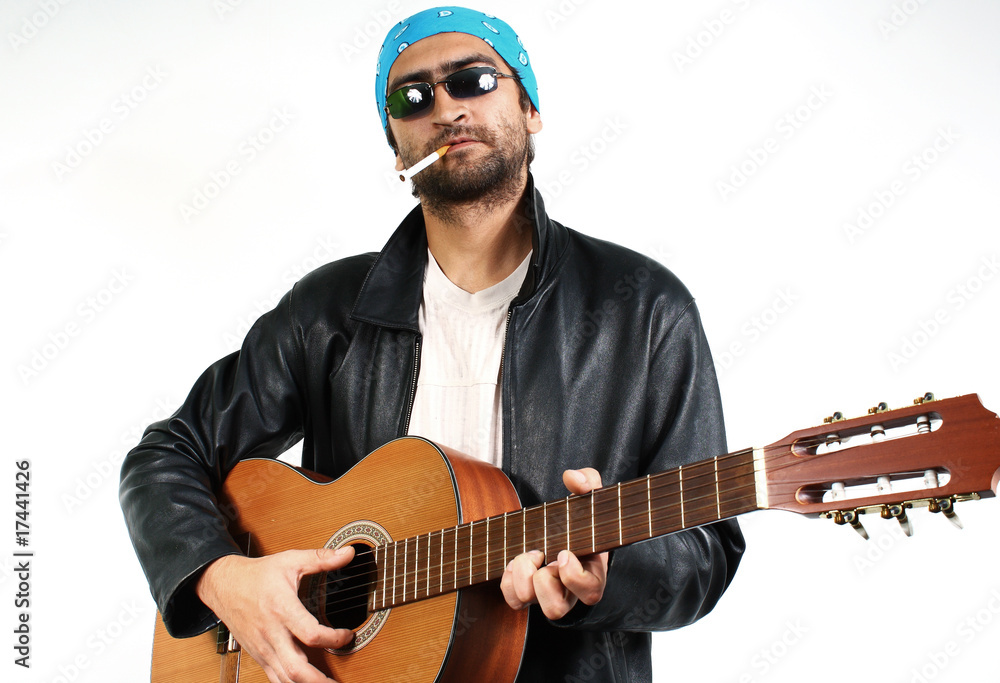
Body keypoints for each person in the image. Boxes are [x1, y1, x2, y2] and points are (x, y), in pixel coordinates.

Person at [119, 6, 745, 682]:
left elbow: (706, 549)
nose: (446, 108)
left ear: (530, 108)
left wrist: (609, 574)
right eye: (412, 96)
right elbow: (165, 455)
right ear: (397, 147)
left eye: (474, 80)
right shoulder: (329, 311)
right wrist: (222, 577)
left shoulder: (646, 309)